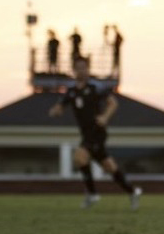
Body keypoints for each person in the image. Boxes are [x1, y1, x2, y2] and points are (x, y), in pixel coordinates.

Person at [49, 56, 142, 209]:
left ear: (88, 69)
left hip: (97, 132)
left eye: (84, 67)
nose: (81, 71)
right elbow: (60, 107)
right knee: (109, 166)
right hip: (86, 133)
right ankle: (133, 191)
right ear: (74, 70)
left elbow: (113, 103)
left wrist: (105, 117)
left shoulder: (95, 87)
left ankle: (92, 195)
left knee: (80, 157)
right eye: (78, 68)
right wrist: (55, 111)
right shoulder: (71, 91)